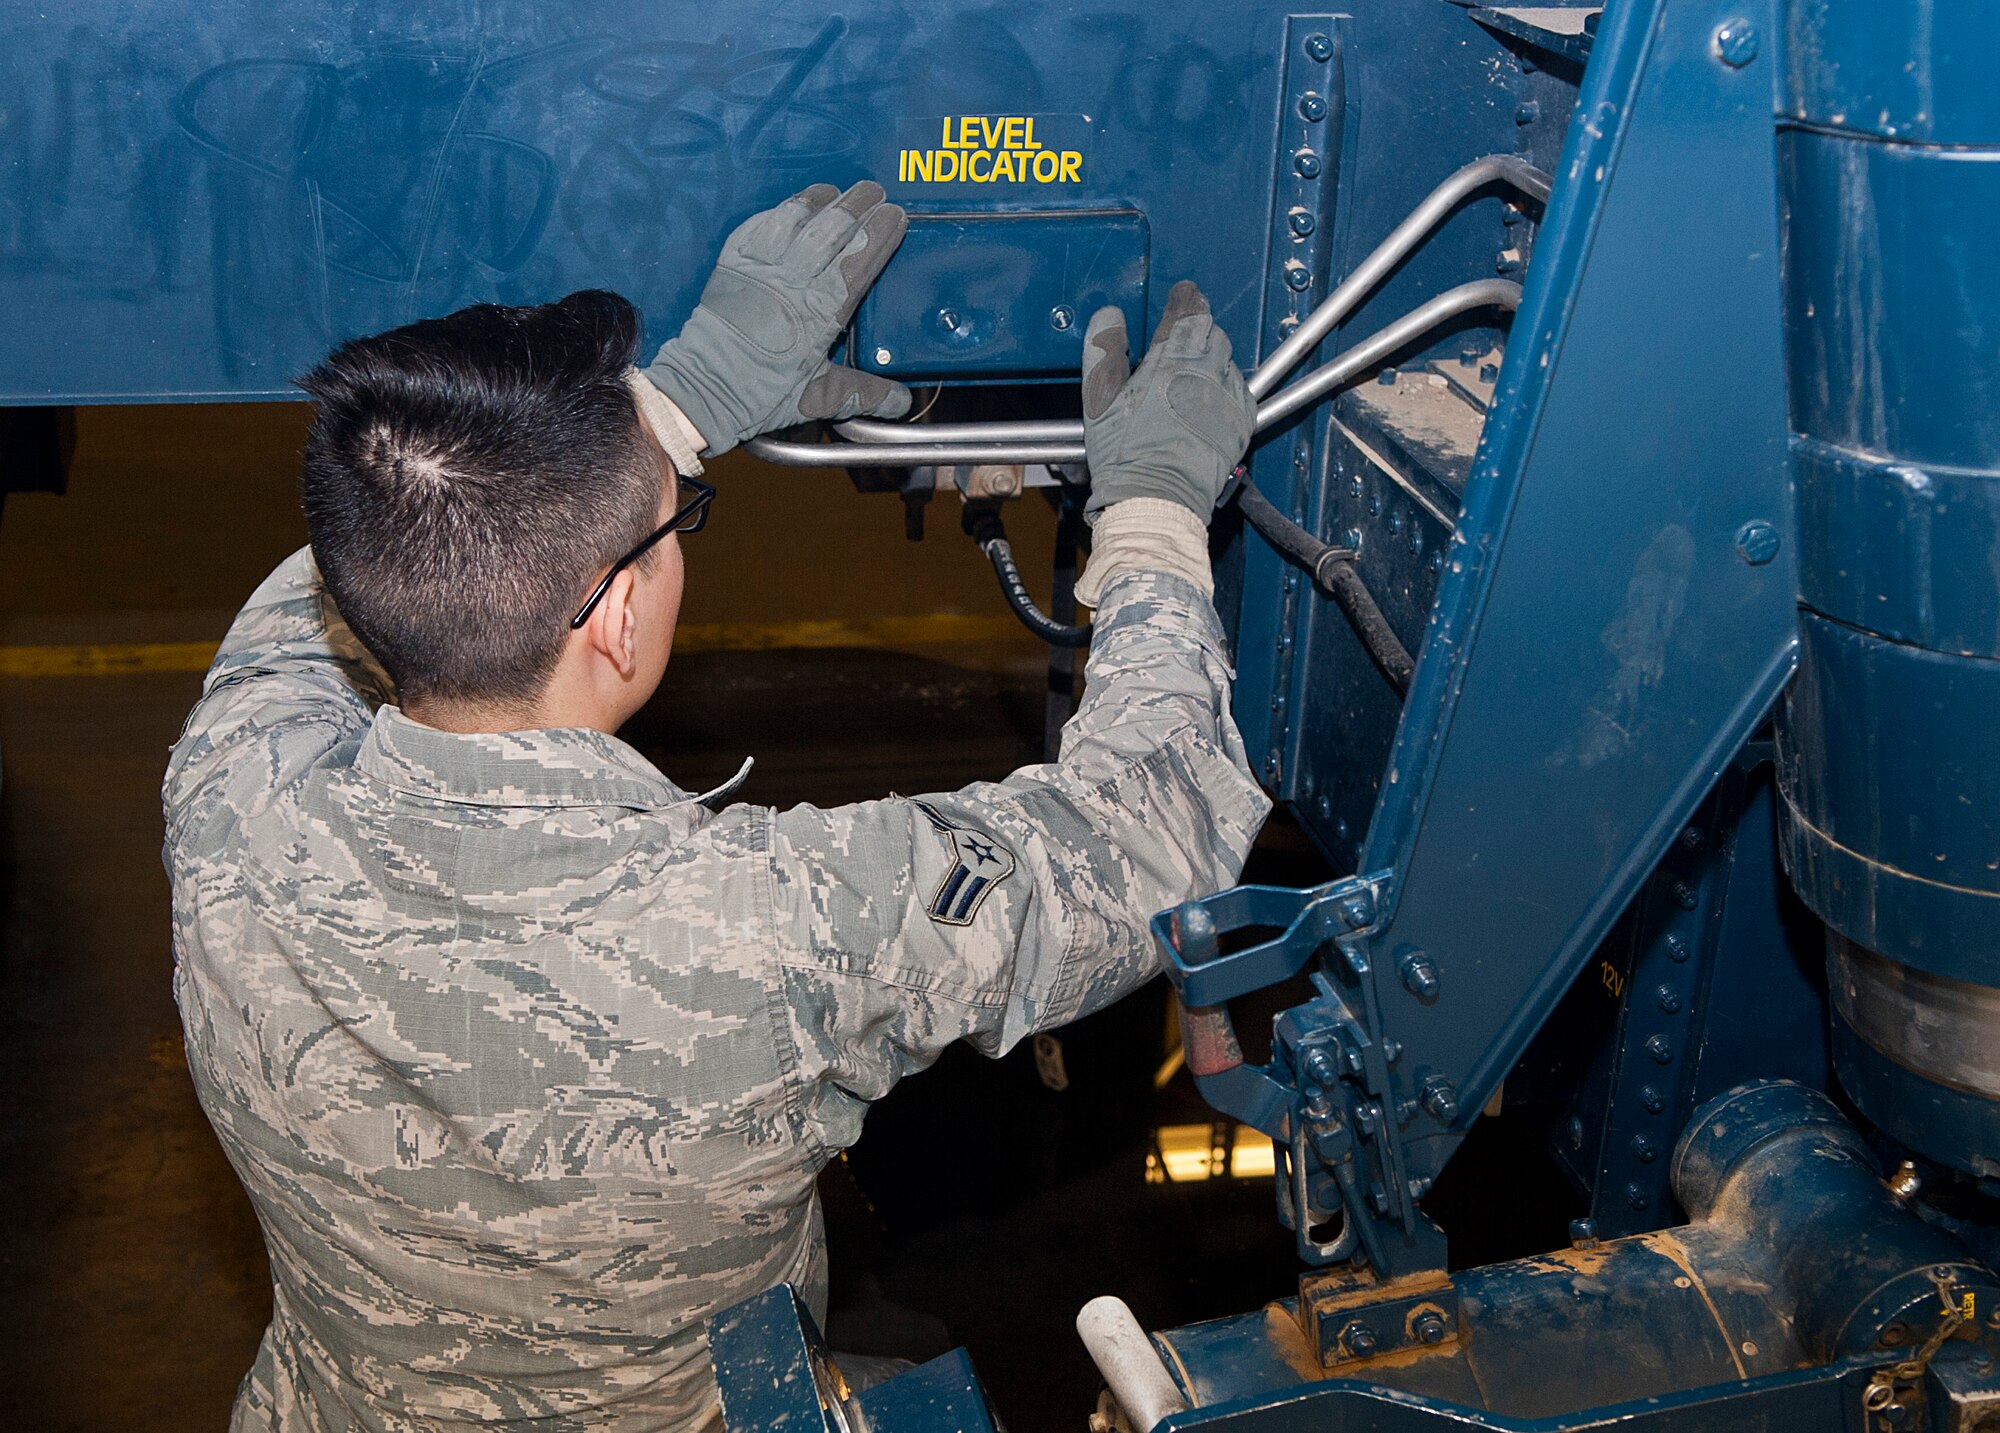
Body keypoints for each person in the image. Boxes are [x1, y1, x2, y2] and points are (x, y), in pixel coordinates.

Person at [164, 179, 1270, 1432]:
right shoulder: (778, 932)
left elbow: (331, 590)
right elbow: (1156, 829)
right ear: (620, 616)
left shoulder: (234, 815)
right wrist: (1157, 522)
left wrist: (656, 424)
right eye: (671, 525)